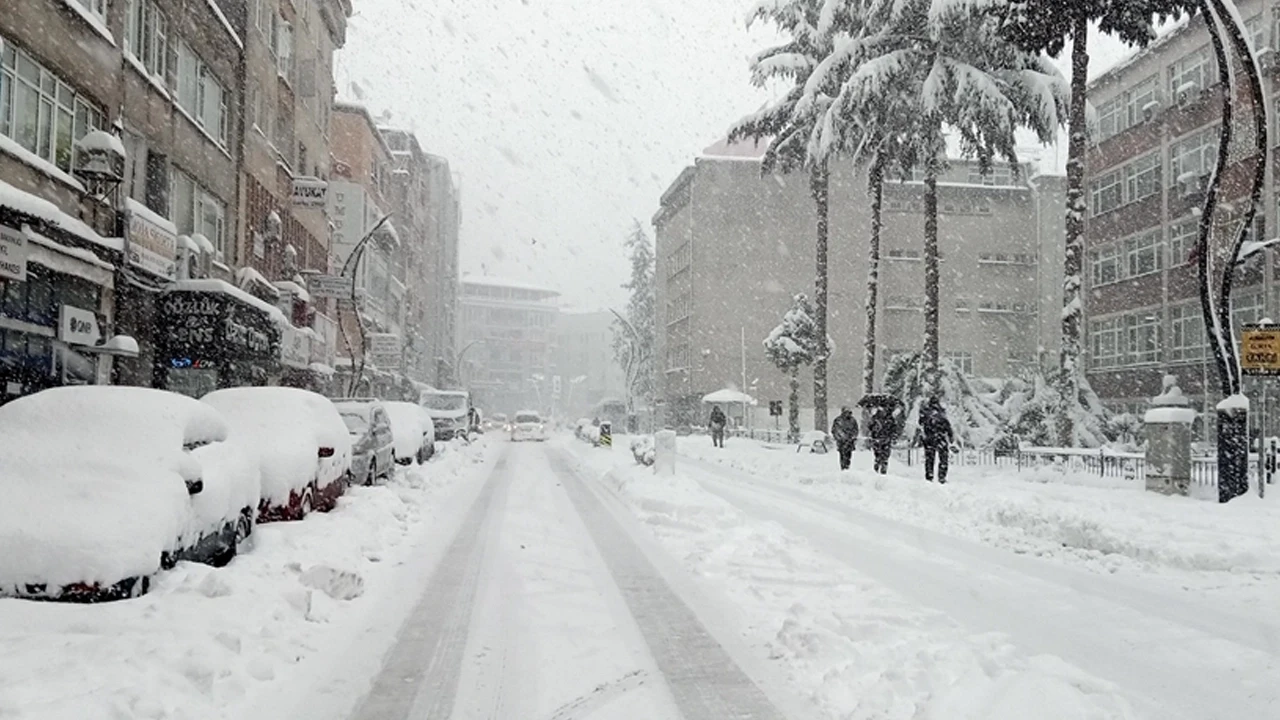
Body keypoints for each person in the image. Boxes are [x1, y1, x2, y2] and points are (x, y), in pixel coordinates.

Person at [917, 396, 954, 483]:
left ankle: (929, 476)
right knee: (943, 459)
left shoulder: (926, 413)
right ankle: (941, 477)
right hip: (941, 438)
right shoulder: (941, 413)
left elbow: (920, 423)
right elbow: (947, 426)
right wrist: (950, 436)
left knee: (929, 459)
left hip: (929, 439)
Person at [868, 406, 897, 474]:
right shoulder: (875, 418)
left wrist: (893, 436)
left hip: (886, 440)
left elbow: (894, 429)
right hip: (877, 439)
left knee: (885, 456)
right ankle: (877, 468)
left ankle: (883, 470)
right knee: (878, 455)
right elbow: (870, 427)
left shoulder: (890, 419)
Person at [830, 406, 859, 470]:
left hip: (850, 442)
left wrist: (852, 437)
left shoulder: (853, 420)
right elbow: (835, 430)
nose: (847, 414)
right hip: (841, 442)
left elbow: (856, 430)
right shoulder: (838, 420)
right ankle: (843, 468)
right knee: (842, 455)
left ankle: (847, 467)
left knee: (848, 456)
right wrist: (840, 438)